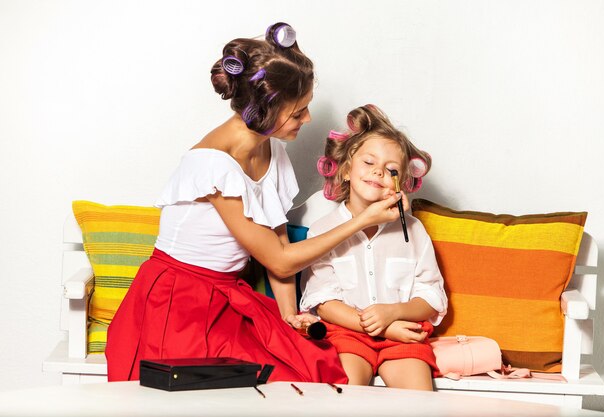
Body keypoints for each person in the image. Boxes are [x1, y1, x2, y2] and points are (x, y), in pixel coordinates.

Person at [105, 23, 408, 383]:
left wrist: (289, 315)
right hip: (178, 303)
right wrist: (361, 220)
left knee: (313, 367)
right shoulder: (213, 165)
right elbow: (279, 258)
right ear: (264, 109)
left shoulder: (272, 151)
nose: (307, 119)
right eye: (298, 112)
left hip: (226, 295)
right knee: (240, 385)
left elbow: (279, 243)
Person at [299, 104, 448, 390]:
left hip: (403, 334)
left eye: (391, 170)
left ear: (401, 184)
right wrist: (379, 325)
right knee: (346, 393)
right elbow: (324, 302)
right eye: (369, 163)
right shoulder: (322, 231)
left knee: (419, 401)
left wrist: (392, 314)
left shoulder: (414, 231)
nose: (378, 172)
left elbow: (430, 296)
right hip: (345, 333)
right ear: (345, 170)